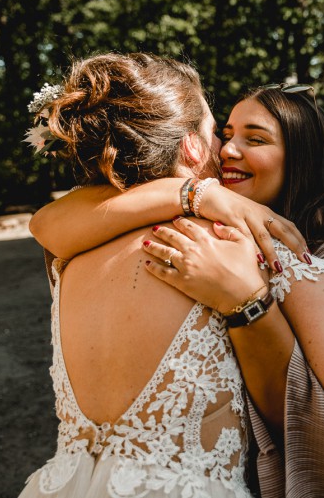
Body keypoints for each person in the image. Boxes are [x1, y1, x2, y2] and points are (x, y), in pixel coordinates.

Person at [29, 83, 324, 498]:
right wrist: (200, 193)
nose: (227, 150)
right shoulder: (209, 232)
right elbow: (47, 224)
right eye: (226, 135)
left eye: (256, 138)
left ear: (302, 156)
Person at [19, 53, 262, 497]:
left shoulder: (69, 253)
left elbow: (46, 222)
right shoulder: (221, 243)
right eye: (213, 133)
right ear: (191, 147)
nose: (224, 150)